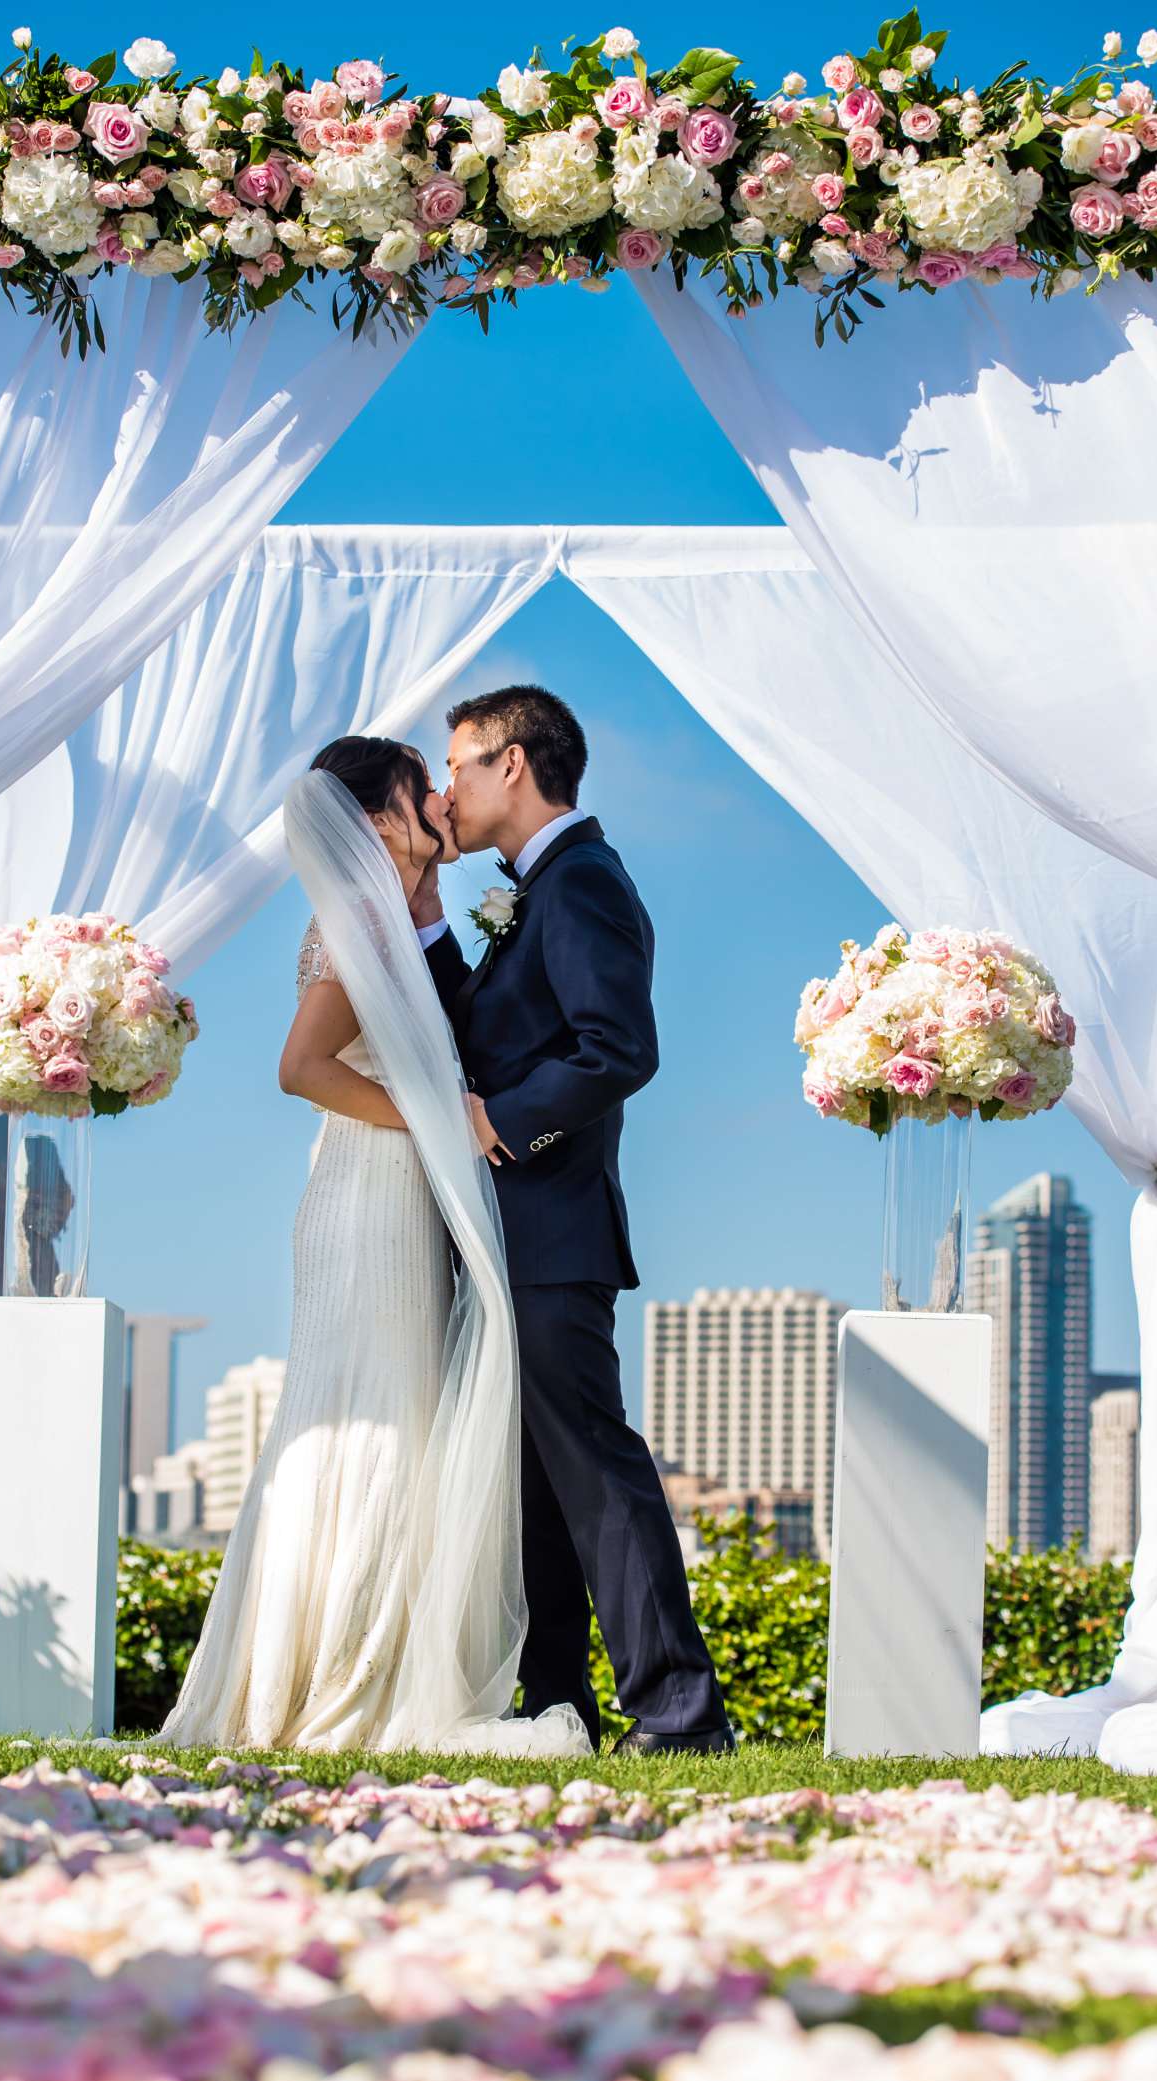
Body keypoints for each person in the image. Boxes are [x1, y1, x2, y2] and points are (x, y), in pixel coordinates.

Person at [160, 736, 588, 1757]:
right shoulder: (355, 920)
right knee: (372, 1419)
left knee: (404, 1412)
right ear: (383, 816)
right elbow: (302, 1067)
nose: (441, 797)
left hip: (401, 1196)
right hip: (364, 1199)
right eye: (419, 785)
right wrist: (438, 1116)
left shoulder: (400, 917)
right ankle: (330, 1671)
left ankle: (365, 1656)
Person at [414, 685, 733, 1755]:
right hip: (514, 1233)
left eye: (455, 764)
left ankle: (679, 1712)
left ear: (513, 764)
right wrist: (423, 924)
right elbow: (496, 1030)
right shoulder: (527, 893)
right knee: (537, 1486)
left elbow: (617, 1049)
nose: (442, 787)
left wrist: (500, 1123)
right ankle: (558, 1704)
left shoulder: (585, 880)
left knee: (592, 1468)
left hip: (553, 1229)